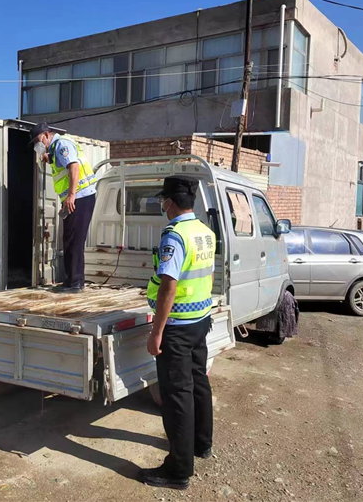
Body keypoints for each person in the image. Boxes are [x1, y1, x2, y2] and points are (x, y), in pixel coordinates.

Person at [138, 176, 216, 490]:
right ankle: (201, 444)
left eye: (163, 200)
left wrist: (156, 332)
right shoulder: (204, 232)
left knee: (177, 396)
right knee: (199, 383)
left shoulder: (175, 236)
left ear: (170, 202)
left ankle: (178, 470)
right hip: (200, 320)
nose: (162, 205)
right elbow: (206, 276)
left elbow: (168, 287)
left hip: (178, 328)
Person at [29, 122, 97, 291]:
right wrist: (50, 158)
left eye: (38, 140)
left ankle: (76, 282)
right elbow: (62, 166)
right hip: (75, 198)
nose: (37, 144)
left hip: (80, 196)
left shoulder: (62, 145)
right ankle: (71, 280)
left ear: (46, 135)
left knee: (75, 240)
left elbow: (73, 166)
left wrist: (71, 195)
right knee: (69, 238)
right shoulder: (55, 148)